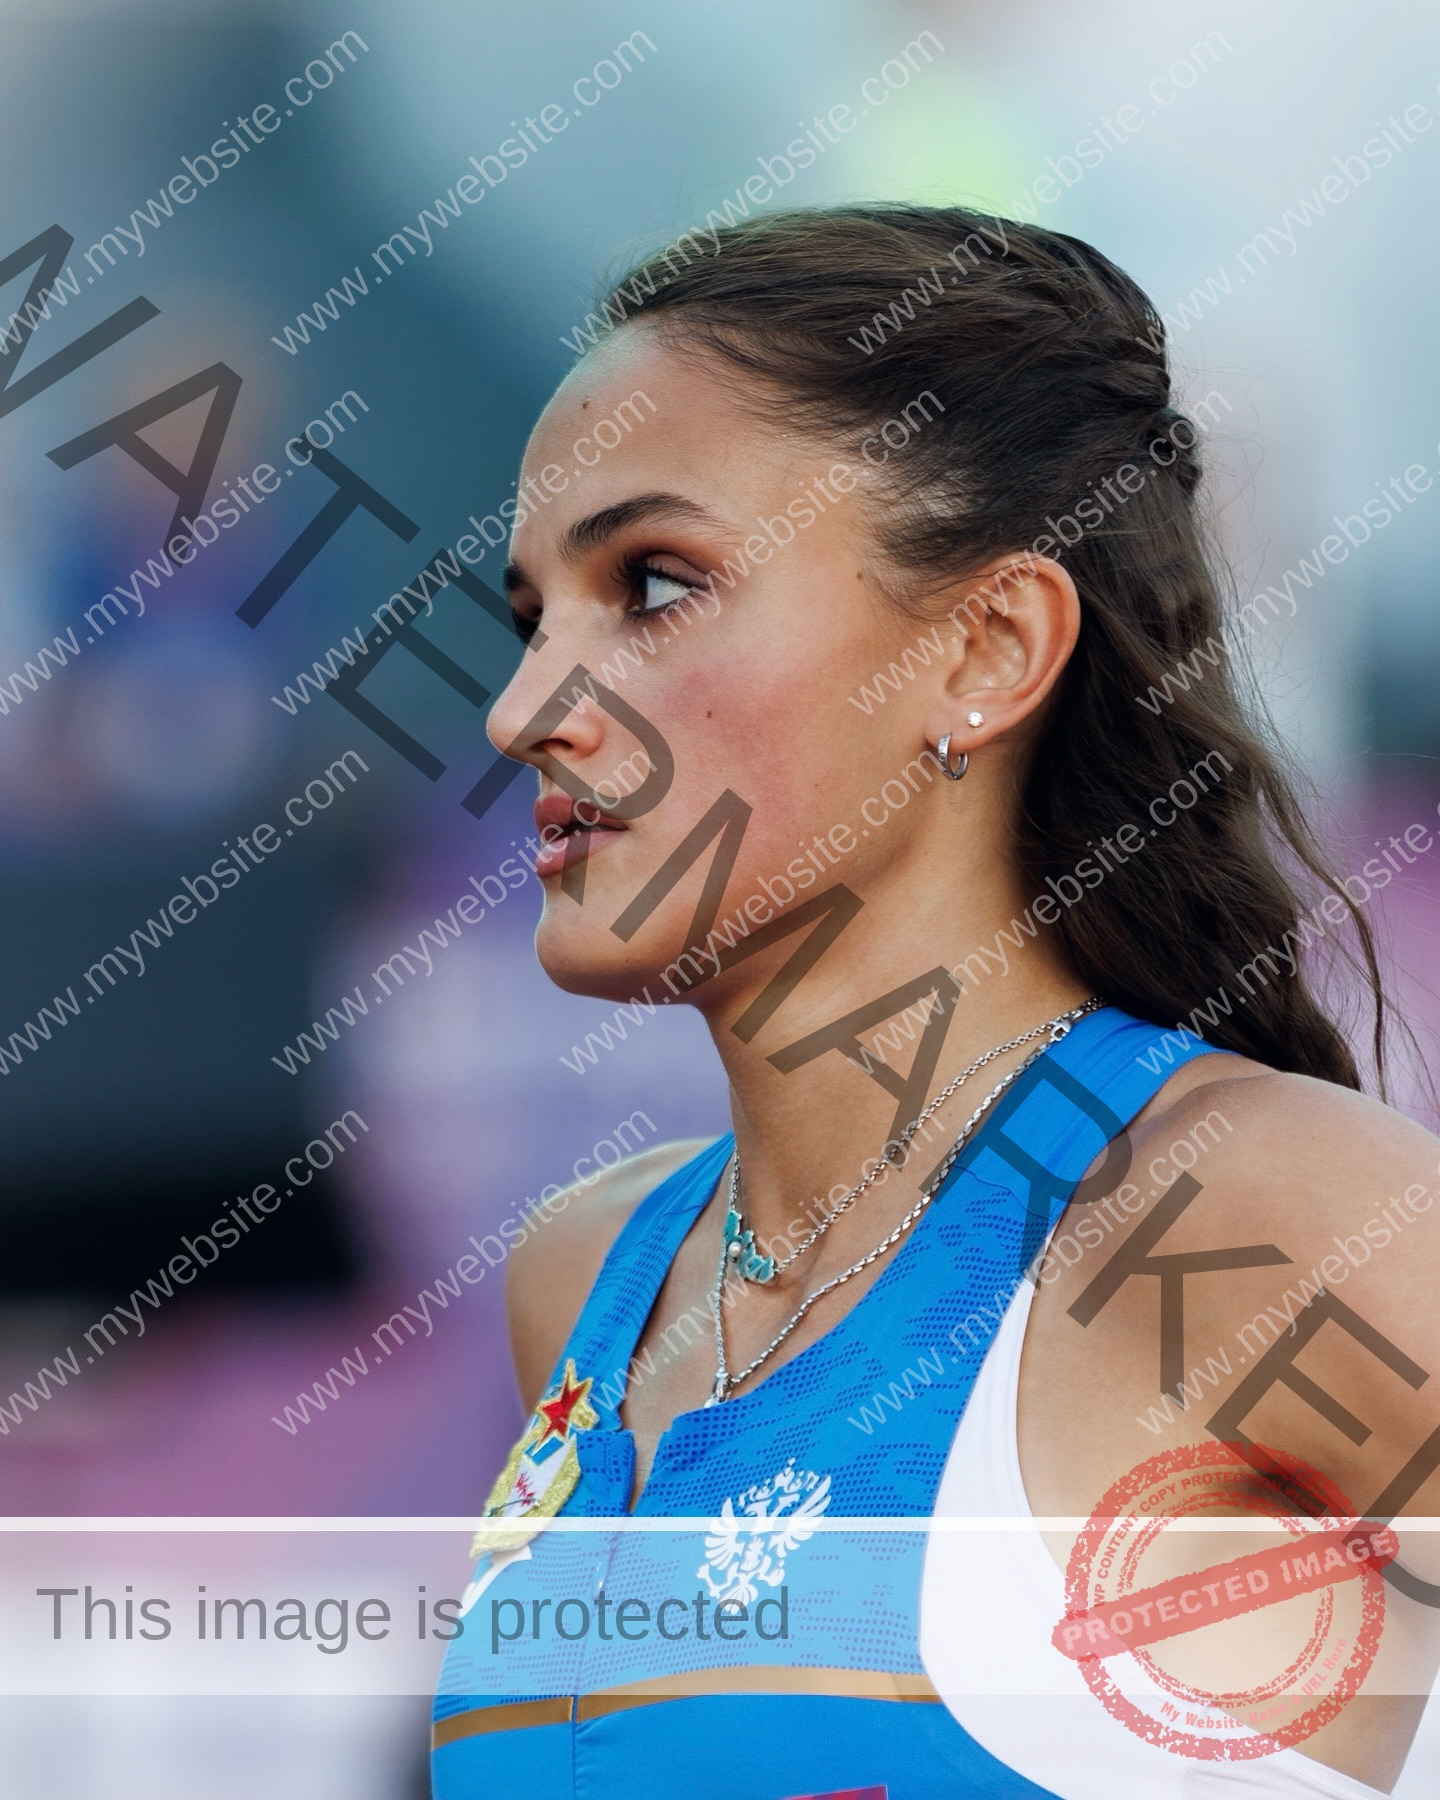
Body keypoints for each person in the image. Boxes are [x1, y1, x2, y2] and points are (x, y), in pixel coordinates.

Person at [431, 206, 1440, 1798]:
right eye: (529, 617)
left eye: (655, 583)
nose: (521, 711)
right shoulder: (583, 1286)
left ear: (987, 645)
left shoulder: (1263, 1215)